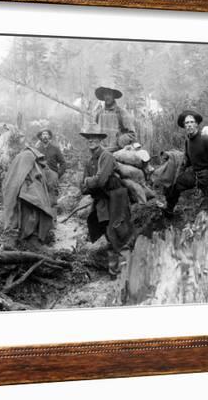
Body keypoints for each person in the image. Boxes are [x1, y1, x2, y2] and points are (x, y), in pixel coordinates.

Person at [163, 110, 208, 246]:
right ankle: (169, 210)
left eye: (191, 122)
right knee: (175, 185)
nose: (189, 125)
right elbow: (189, 161)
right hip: (195, 175)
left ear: (196, 125)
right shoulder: (188, 141)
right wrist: (177, 173)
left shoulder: (206, 139)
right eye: (186, 123)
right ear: (184, 126)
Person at [80, 124, 131, 279]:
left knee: (119, 233)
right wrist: (90, 182)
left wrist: (89, 182)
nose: (91, 141)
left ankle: (127, 270)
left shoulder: (106, 156)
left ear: (100, 140)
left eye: (95, 138)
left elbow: (101, 181)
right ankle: (113, 270)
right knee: (107, 234)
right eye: (89, 138)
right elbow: (82, 187)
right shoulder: (89, 161)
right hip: (102, 201)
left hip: (116, 198)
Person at [2, 145, 54, 251]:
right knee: (28, 212)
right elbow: (13, 186)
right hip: (24, 197)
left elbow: (42, 184)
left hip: (30, 193)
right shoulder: (24, 160)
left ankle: (32, 237)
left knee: (34, 212)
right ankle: (26, 238)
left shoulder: (35, 168)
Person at [94, 86, 136, 150]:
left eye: (109, 94)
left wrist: (121, 140)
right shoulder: (99, 114)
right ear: (103, 96)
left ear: (113, 96)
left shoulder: (121, 112)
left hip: (117, 152)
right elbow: (94, 132)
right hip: (101, 152)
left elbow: (132, 134)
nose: (107, 97)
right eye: (105, 94)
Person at [35, 129, 67, 206]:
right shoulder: (38, 150)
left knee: (52, 197)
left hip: (52, 176)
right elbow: (35, 163)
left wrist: (57, 174)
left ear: (49, 136)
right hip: (41, 175)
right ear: (41, 137)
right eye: (43, 134)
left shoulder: (55, 149)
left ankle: (53, 217)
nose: (45, 136)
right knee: (41, 197)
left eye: (46, 134)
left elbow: (63, 163)